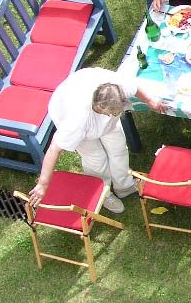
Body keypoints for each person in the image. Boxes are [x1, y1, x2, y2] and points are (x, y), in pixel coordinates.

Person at [27, 67, 167, 213]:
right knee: (96, 159)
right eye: (113, 113)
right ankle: (104, 193)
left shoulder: (118, 87)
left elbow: (135, 87)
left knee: (118, 148)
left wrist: (149, 100)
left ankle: (124, 186)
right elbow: (54, 148)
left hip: (96, 105)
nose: (117, 114)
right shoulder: (77, 120)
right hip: (68, 110)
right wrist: (43, 184)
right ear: (100, 108)